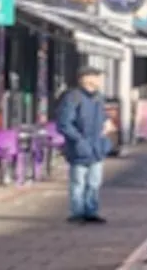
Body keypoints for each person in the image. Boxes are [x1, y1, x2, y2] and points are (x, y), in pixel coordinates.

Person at [56, 67, 113, 224]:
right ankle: (77, 212)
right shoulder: (73, 97)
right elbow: (64, 123)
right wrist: (78, 140)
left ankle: (91, 211)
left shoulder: (98, 97)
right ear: (86, 78)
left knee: (94, 182)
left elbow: (102, 115)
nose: (100, 81)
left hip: (97, 146)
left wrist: (107, 123)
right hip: (80, 147)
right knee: (79, 181)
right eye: (97, 77)